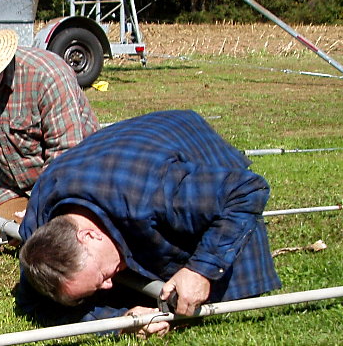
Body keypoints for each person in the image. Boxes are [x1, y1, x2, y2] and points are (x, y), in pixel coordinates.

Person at [16, 110, 282, 336]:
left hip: (187, 143)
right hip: (111, 164)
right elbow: (34, 304)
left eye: (101, 277)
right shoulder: (39, 232)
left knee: (205, 291)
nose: (108, 285)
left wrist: (201, 270)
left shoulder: (154, 193)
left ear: (89, 235)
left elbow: (247, 191)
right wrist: (121, 320)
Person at [0, 13, 99, 221]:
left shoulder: (48, 76)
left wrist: (40, 204)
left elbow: (66, 154)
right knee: (12, 233)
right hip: (11, 184)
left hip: (73, 181)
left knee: (56, 238)